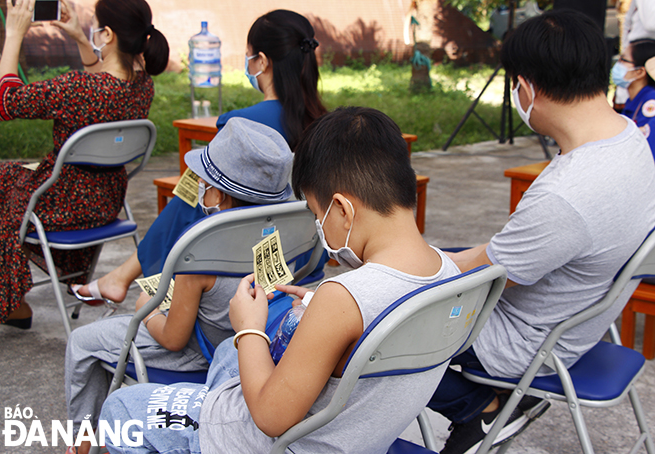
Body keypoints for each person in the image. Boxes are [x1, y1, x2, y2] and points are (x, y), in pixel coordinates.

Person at [94, 106, 460, 454]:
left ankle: (204, 433)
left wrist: (249, 327)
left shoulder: (344, 299)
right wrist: (320, 310)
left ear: (343, 210)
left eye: (318, 214)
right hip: (358, 436)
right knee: (226, 354)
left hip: (280, 442)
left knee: (122, 409)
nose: (319, 227)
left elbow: (270, 418)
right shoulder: (450, 274)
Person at [425, 10, 655, 454]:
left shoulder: (567, 193)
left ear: (526, 87)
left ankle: (479, 408)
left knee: (370, 323)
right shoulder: (629, 139)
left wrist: (388, 268)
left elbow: (484, 276)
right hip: (581, 321)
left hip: (526, 345)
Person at [64, 117, 294, 454]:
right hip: (251, 342)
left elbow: (173, 338)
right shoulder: (285, 231)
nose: (198, 184)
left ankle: (83, 443)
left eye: (204, 180)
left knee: (82, 341)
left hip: (203, 352)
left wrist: (149, 308)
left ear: (218, 193)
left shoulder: (199, 251)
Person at [72, 9, 328, 306]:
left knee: (192, 189)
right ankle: (121, 276)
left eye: (248, 57)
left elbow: (202, 200)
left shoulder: (241, 126)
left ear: (262, 61)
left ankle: (125, 276)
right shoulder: (327, 127)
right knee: (196, 188)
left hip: (241, 259)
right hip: (303, 258)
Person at [0, 0, 169, 328]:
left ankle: (8, 299)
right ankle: (11, 296)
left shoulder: (79, 88)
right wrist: (78, 36)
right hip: (105, 202)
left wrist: (14, 35)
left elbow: (4, 104)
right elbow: (101, 81)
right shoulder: (142, 84)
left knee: (1, 182)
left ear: (107, 34)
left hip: (60, 203)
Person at [613, 39, 655, 156]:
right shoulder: (634, 100)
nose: (618, 64)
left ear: (640, 72)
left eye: (623, 60)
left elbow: (646, 149)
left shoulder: (651, 102)